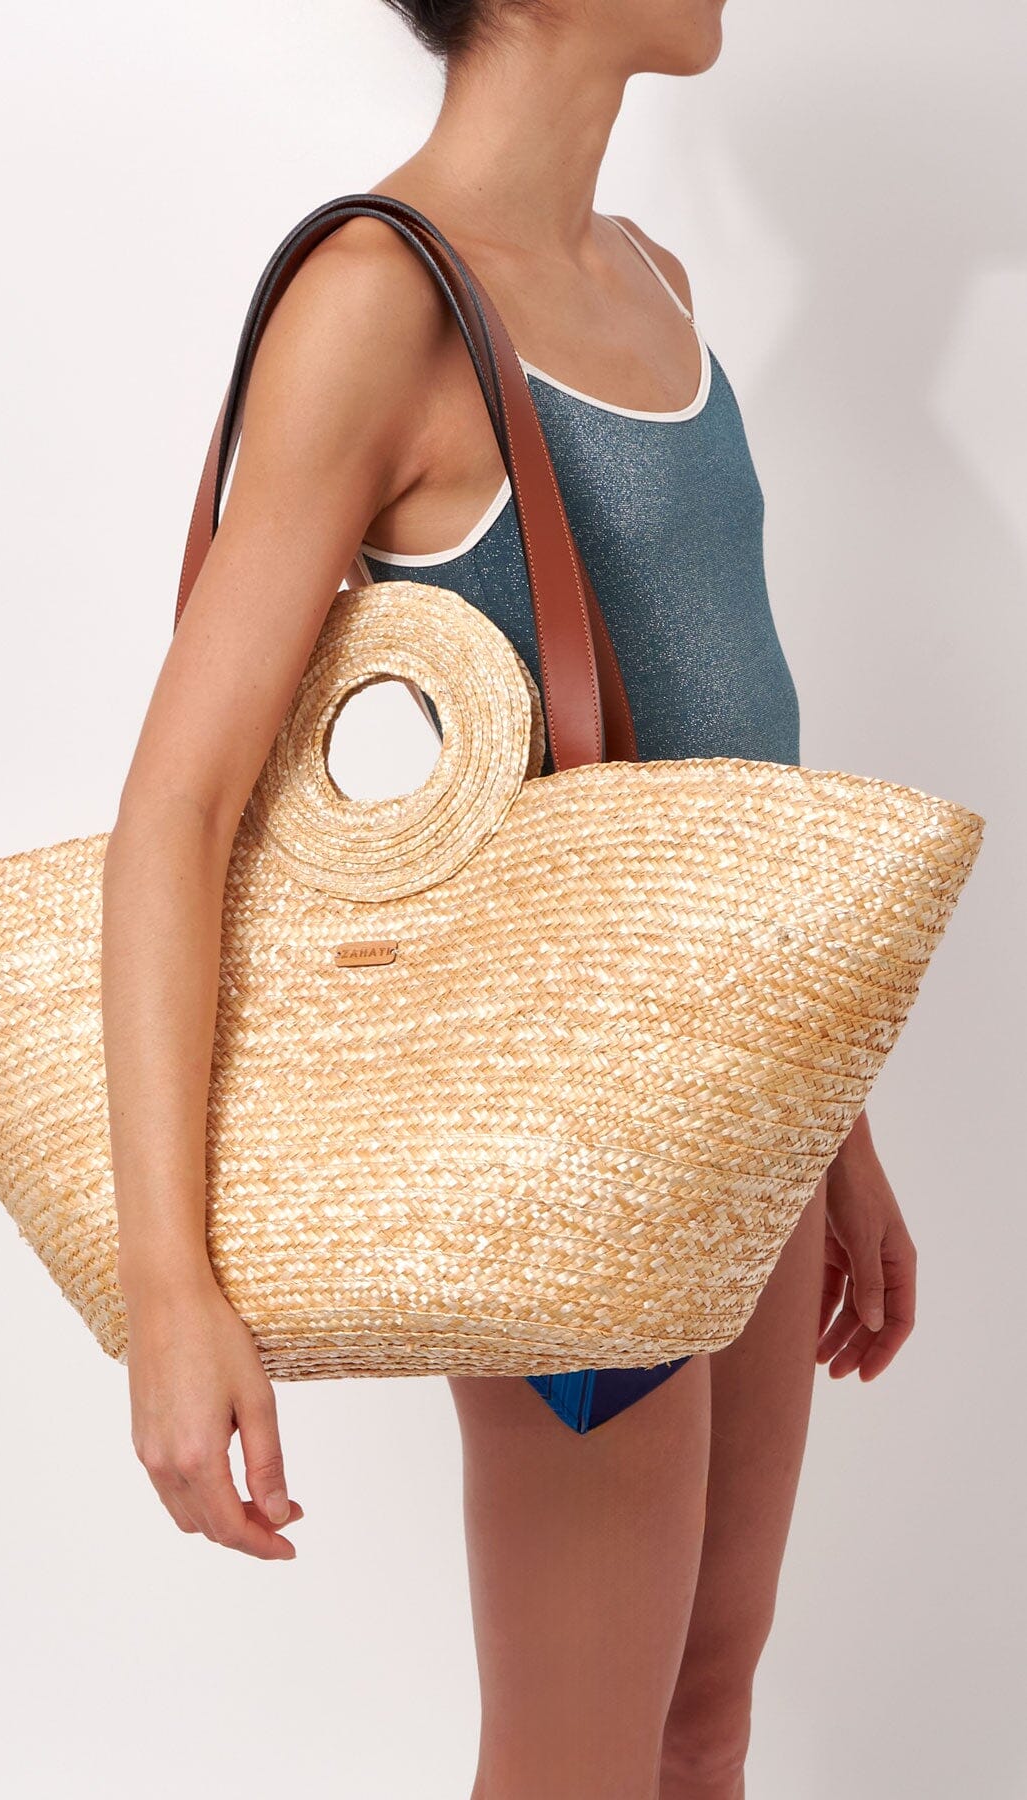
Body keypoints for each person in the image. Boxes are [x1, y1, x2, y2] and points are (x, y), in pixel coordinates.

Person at [100, 3, 917, 1795]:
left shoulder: (653, 282)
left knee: (704, 1715)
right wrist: (168, 1286)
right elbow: (177, 807)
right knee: (574, 1760)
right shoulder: (376, 301)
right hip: (568, 1151)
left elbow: (723, 772)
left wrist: (835, 1129)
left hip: (757, 1117)